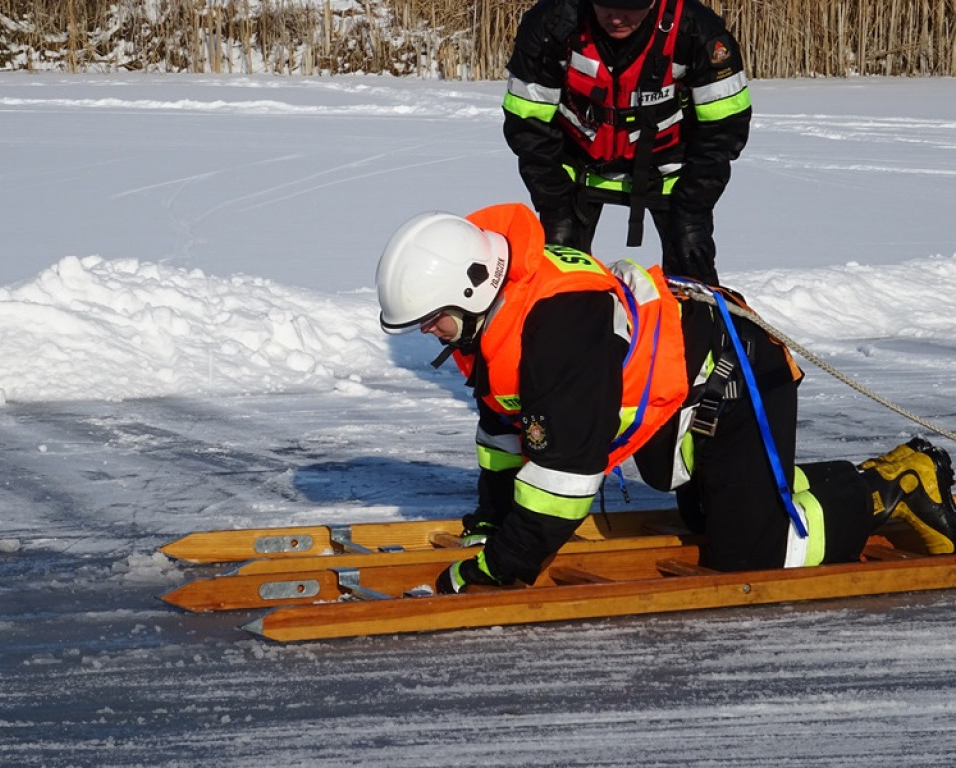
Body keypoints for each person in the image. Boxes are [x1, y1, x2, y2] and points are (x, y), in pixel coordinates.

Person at [374, 202, 956, 593]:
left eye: (434, 320)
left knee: (754, 560)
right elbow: (504, 432)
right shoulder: (494, 316)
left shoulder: (557, 329)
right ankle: (827, 482)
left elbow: (565, 480)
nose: (431, 332)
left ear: (472, 288)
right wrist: (490, 521)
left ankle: (892, 488)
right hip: (688, 389)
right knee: (703, 512)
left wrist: (496, 572)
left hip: (736, 377)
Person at [502, 0, 752, 285]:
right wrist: (554, 202)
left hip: (671, 171)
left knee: (691, 250)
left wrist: (693, 206)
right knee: (554, 264)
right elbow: (528, 124)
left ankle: (698, 323)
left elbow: (723, 129)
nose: (616, 19)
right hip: (575, 169)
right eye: (606, 5)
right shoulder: (551, 24)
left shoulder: (697, 29)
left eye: (629, 8)